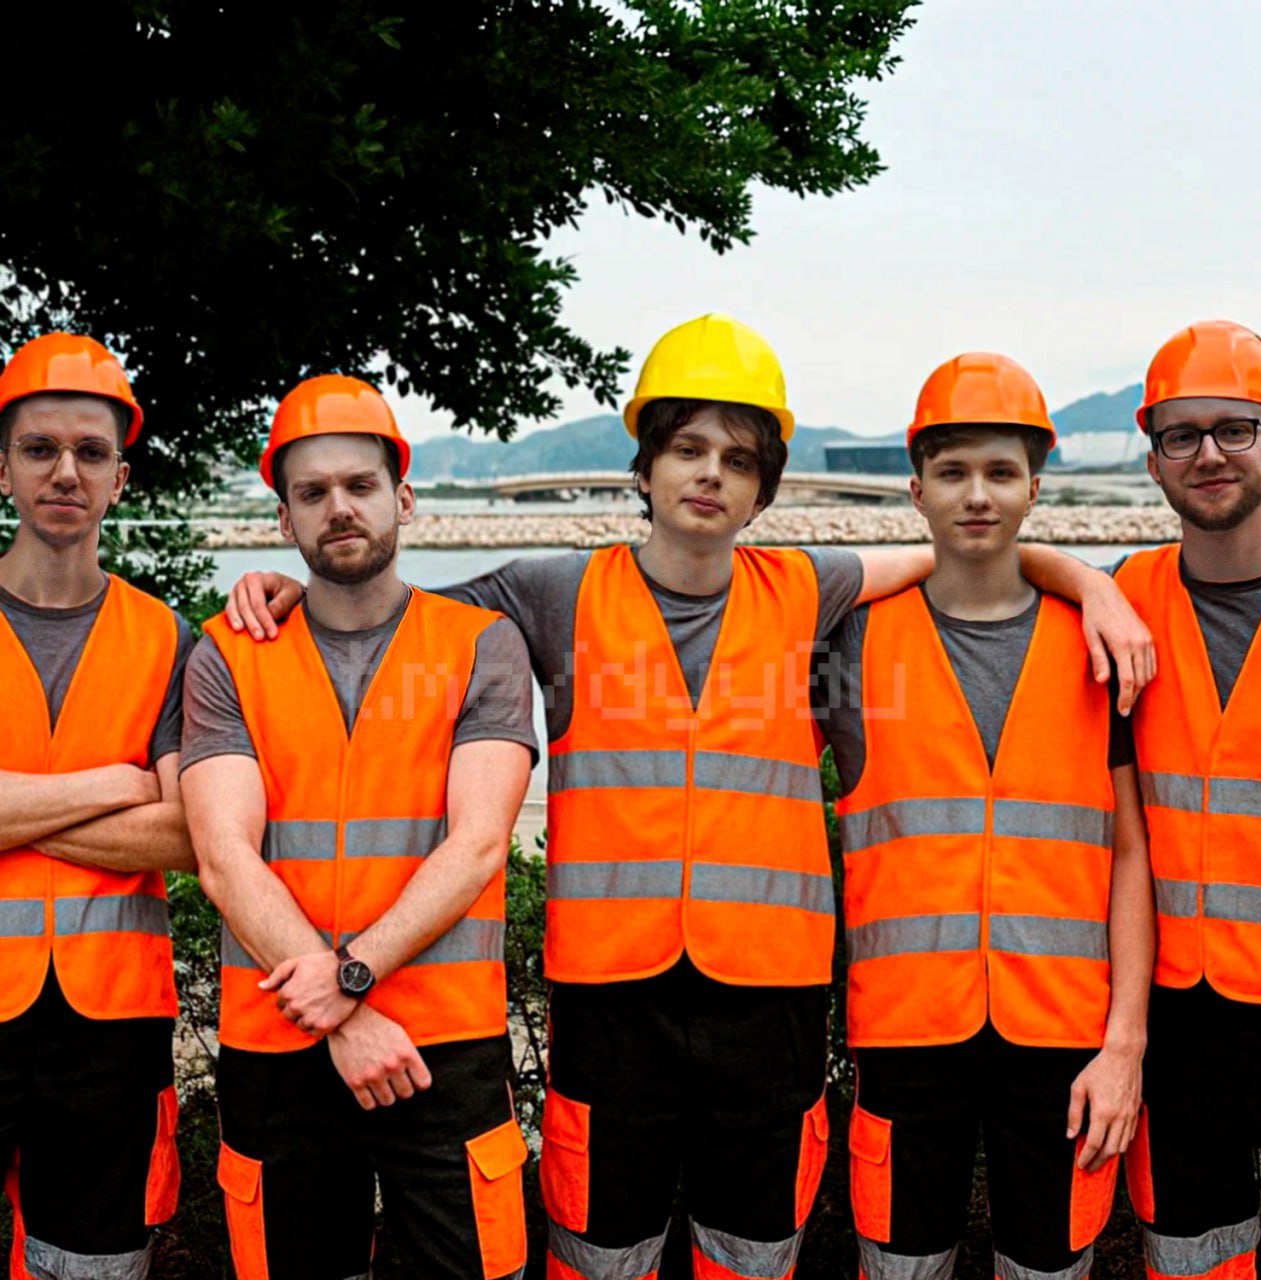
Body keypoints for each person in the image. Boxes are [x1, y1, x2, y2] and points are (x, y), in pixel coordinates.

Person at [224, 316, 1154, 1279]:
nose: (710, 475)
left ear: (763, 490)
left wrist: (1089, 583)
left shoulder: (810, 587)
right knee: (598, 1251)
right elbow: (389, 612)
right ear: (647, 467)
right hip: (610, 1002)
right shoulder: (553, 594)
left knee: (753, 1252)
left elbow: (962, 555)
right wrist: (285, 590)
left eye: (738, 460)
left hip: (771, 1002)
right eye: (687, 450)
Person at [179, 376, 538, 1280]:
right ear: (284, 519)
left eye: (360, 485)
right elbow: (224, 856)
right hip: (279, 1047)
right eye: (312, 492)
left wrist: (351, 978)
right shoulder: (228, 656)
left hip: (444, 1043)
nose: (339, 507)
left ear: (402, 499)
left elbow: (478, 844)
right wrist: (343, 1014)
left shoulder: (481, 643)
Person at [830, 352, 1154, 1280]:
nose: (978, 495)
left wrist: (1124, 1043)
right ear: (916, 490)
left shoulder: (1099, 643)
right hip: (902, 1038)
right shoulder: (850, 644)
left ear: (1035, 488)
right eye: (953, 472)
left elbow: (1130, 854)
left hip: (1063, 1040)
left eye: (1002, 472)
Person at [0, 333, 193, 1279]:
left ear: (121, 477)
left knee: (95, 1267)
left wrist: (19, 811)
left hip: (112, 1027)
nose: (65, 472)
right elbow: (152, 810)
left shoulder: (168, 637)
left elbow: (188, 831)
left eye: (91, 452)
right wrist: (117, 783)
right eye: (39, 449)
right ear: (2, 469)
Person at [1113, 319, 1261, 1280]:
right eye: (1182, 435)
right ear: (1154, 463)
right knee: (1191, 1254)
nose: (1209, 453)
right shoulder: (1124, 599)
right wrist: (1080, 581)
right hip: (1175, 1019)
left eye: (1235, 428)